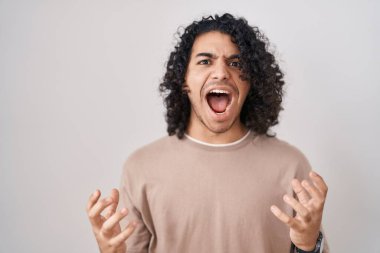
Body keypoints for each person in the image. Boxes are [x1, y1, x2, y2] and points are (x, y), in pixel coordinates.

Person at [86, 13, 329, 253]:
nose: (222, 72)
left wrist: (308, 245)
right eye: (205, 61)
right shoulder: (141, 167)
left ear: (250, 82)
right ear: (184, 80)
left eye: (235, 63)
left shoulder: (291, 165)